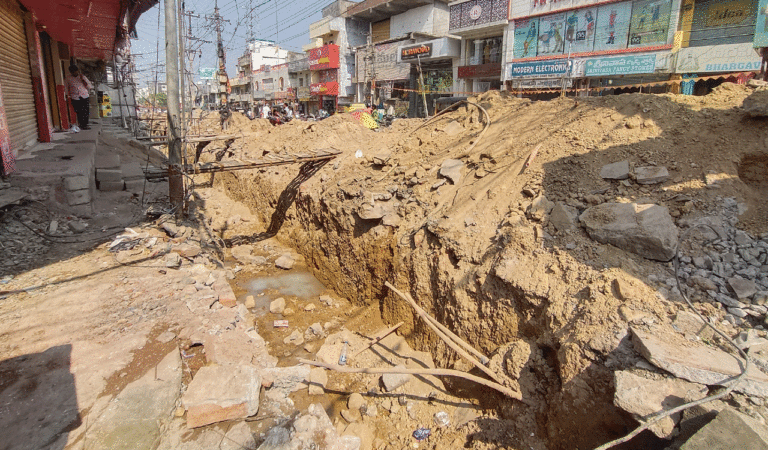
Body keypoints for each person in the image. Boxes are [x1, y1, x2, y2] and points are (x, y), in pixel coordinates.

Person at [66, 64, 93, 130]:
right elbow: (66, 87)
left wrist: (84, 81)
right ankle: (81, 124)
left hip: (84, 95)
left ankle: (85, 124)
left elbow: (90, 86)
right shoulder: (68, 78)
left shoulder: (82, 77)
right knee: (79, 111)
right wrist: (67, 96)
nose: (75, 73)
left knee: (85, 111)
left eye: (75, 71)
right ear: (70, 72)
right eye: (73, 72)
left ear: (77, 71)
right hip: (75, 97)